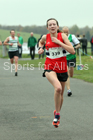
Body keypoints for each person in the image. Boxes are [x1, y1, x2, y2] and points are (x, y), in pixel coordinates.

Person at [38, 18, 75, 128]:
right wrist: (40, 48)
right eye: (50, 25)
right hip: (50, 66)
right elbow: (41, 41)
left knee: (61, 94)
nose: (52, 26)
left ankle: (57, 112)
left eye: (54, 24)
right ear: (47, 27)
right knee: (58, 88)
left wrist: (59, 43)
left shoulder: (62, 36)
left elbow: (72, 50)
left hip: (62, 67)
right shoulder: (46, 37)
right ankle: (57, 116)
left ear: (57, 27)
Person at [62, 27, 80, 96]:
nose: (65, 33)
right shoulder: (60, 37)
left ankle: (68, 80)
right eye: (64, 32)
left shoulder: (72, 37)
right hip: (64, 57)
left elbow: (78, 45)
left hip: (72, 57)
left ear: (68, 31)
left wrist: (74, 48)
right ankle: (68, 90)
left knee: (71, 74)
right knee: (67, 73)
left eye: (66, 32)